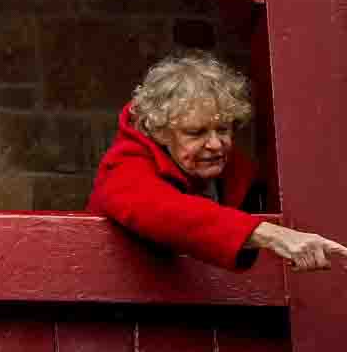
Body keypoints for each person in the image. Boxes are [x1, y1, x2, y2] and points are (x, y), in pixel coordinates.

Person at [89, 51, 347, 271]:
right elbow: (165, 210)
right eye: (196, 132)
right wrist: (272, 235)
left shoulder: (240, 173)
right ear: (158, 131)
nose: (215, 144)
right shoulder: (124, 167)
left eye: (223, 130)